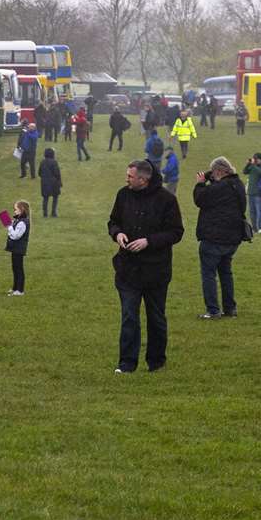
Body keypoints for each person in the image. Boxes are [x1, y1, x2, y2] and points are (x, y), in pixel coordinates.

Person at [108, 159, 184, 374]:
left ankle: (156, 361)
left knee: (156, 317)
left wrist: (149, 242)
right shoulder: (123, 195)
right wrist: (118, 233)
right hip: (127, 269)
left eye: (130, 176)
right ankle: (126, 363)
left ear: (144, 179)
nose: (126, 179)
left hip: (156, 270)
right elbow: (113, 221)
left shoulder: (166, 200)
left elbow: (176, 232)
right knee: (129, 316)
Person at [193, 156, 248, 320]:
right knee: (225, 273)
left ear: (219, 171)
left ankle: (213, 310)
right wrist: (211, 176)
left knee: (208, 274)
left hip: (214, 237)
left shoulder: (219, 188)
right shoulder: (237, 184)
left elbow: (200, 198)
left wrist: (200, 183)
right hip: (233, 237)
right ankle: (230, 309)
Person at [3, 199, 30, 296]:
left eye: (16, 209)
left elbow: (15, 236)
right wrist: (9, 223)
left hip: (19, 249)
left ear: (22, 210)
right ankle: (15, 288)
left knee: (19, 268)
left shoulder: (23, 222)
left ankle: (20, 290)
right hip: (15, 249)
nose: (14, 211)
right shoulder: (17, 220)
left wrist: (10, 226)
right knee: (15, 268)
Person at [244, 153, 261, 233]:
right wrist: (248, 164)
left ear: (260, 159)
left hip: (259, 193)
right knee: (252, 212)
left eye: (256, 159)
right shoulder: (252, 166)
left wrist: (253, 165)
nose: (255, 160)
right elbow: (244, 171)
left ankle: (260, 227)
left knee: (259, 211)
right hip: (251, 192)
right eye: (254, 159)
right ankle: (254, 228)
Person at [39, 147, 63, 217]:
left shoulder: (42, 162)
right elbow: (57, 173)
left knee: (45, 198)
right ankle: (53, 212)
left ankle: (45, 213)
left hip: (44, 183)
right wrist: (59, 182)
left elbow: (39, 173)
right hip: (54, 182)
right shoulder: (54, 162)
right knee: (55, 197)